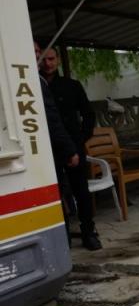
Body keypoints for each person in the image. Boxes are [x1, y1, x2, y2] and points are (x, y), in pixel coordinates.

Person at [36, 43, 102, 250]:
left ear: (57, 60)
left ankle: (88, 232)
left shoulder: (72, 85)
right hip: (48, 151)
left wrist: (80, 140)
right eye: (43, 59)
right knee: (54, 194)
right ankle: (62, 235)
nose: (47, 63)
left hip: (73, 147)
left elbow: (88, 115)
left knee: (81, 191)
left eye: (51, 59)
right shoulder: (32, 86)